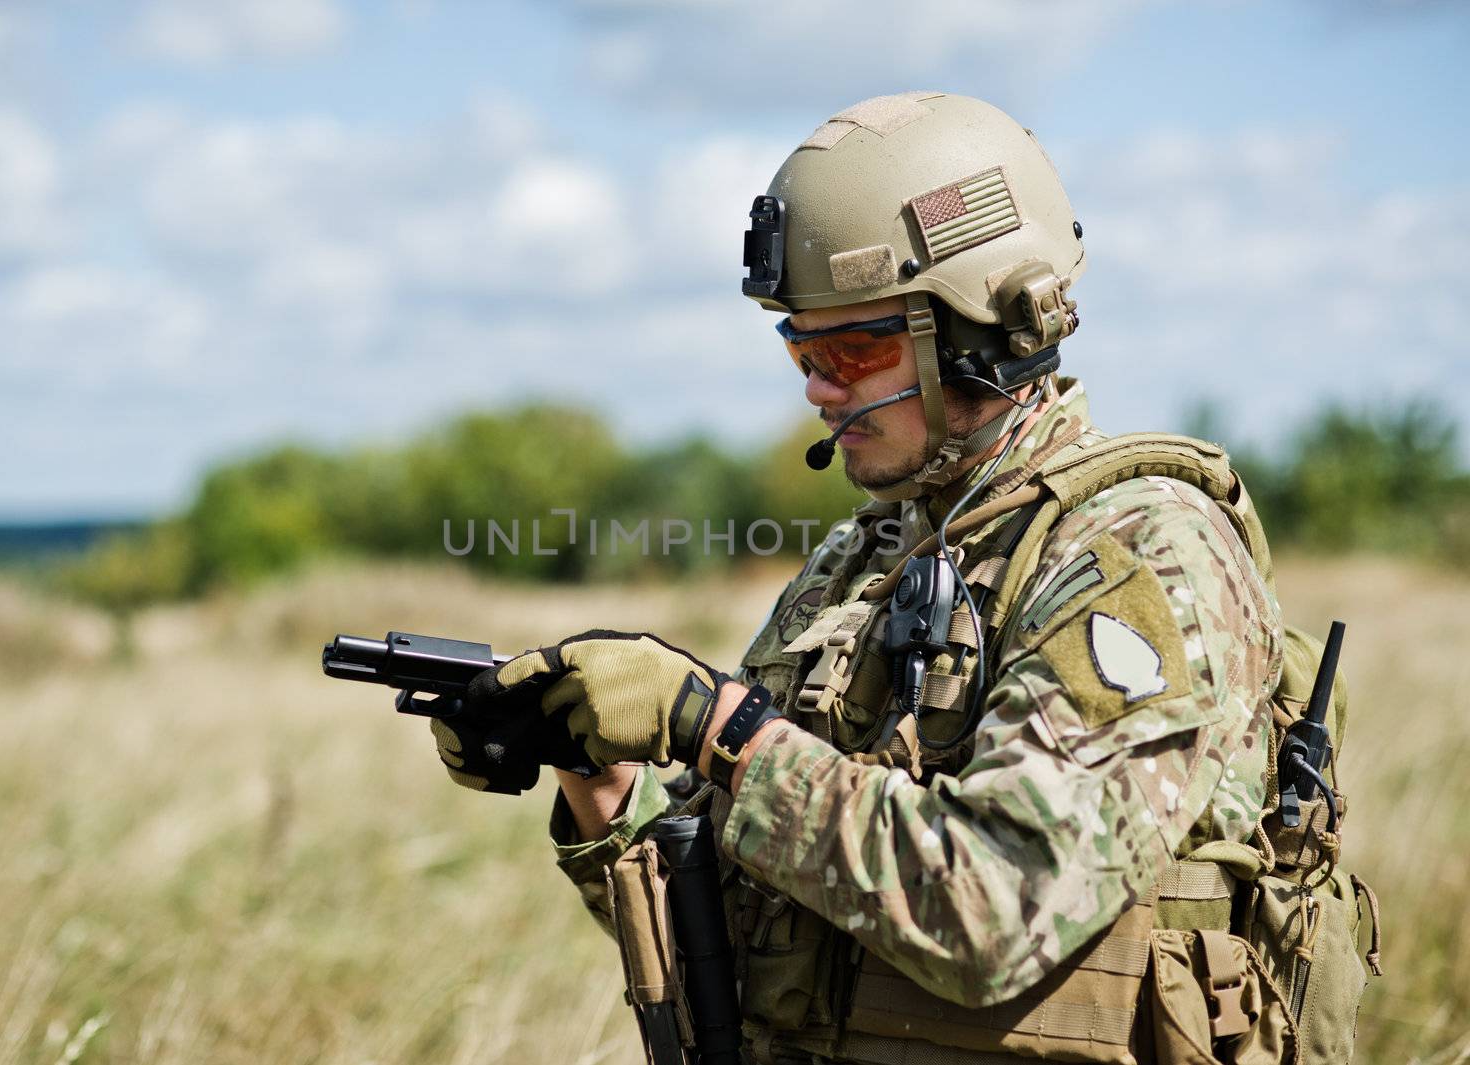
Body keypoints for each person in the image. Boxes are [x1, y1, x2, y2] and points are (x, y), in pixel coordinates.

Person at [431, 92, 1334, 1064]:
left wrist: (716, 730)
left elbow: (1002, 910)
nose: (818, 387)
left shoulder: (1136, 553)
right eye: (801, 347)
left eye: (853, 347)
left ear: (990, 329)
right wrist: (599, 788)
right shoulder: (854, 569)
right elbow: (745, 941)